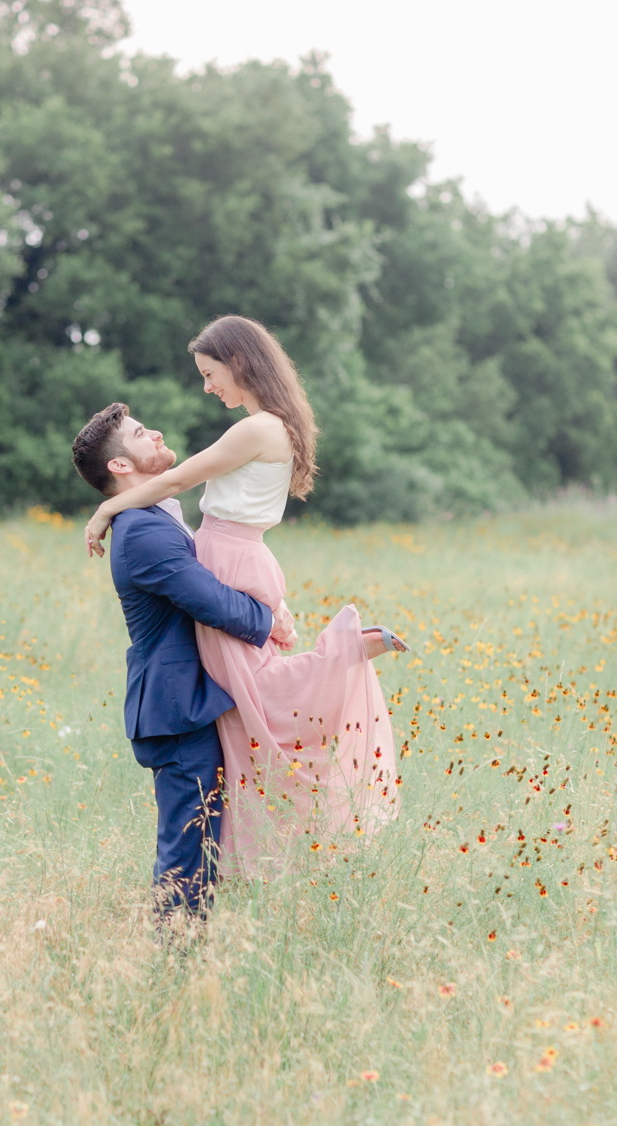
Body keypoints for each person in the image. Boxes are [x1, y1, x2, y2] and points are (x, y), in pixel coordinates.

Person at [84, 315, 407, 878]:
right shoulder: (267, 427)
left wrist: (108, 507)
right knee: (253, 693)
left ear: (240, 362)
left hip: (233, 558)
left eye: (210, 374)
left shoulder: (256, 428)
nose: (208, 387)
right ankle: (346, 652)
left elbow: (180, 480)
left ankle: (346, 651)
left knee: (258, 691)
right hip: (239, 559)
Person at [72, 403, 296, 920]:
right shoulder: (143, 532)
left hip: (191, 701)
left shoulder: (151, 516)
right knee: (187, 852)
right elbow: (211, 601)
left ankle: (187, 958)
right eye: (138, 433)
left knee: (203, 846)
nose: (155, 431)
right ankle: (174, 965)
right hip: (176, 710)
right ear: (121, 466)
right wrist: (269, 619)